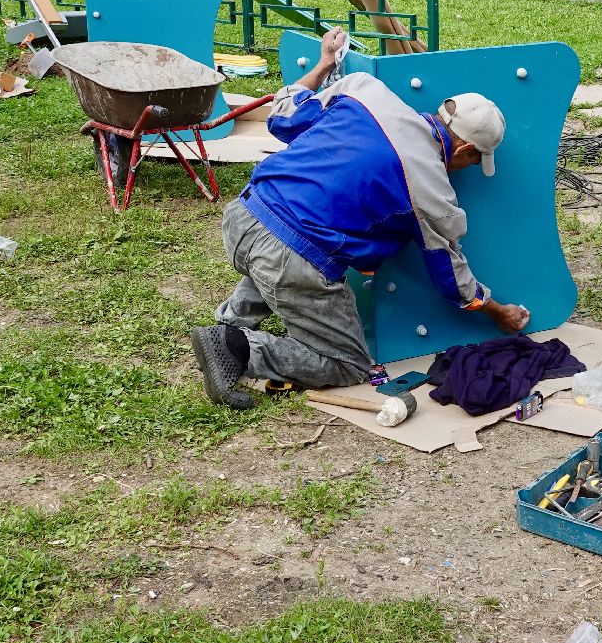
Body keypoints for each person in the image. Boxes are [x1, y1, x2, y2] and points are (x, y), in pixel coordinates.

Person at [191, 26, 530, 408]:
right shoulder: (431, 186)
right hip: (289, 255)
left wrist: (323, 64)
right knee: (347, 363)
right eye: (473, 161)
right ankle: (237, 349)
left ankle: (228, 326)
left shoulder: (363, 90)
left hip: (243, 216)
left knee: (283, 248)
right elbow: (452, 279)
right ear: (466, 149)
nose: (467, 168)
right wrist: (497, 311)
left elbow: (283, 116)